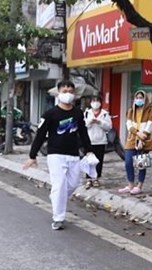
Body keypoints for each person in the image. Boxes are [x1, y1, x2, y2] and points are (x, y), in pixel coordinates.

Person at [23, 80, 93, 230]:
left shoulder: (78, 113)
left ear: (74, 94)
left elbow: (83, 133)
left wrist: (89, 150)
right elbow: (40, 135)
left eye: (70, 91)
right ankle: (58, 217)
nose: (67, 94)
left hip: (74, 155)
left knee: (73, 184)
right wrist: (32, 155)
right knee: (59, 184)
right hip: (55, 154)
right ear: (59, 93)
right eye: (64, 91)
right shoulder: (50, 114)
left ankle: (56, 197)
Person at [118, 90, 152, 195]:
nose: (139, 100)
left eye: (141, 98)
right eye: (137, 98)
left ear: (145, 100)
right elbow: (129, 125)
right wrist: (138, 133)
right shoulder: (131, 111)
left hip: (145, 140)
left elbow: (149, 126)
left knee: (141, 164)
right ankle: (130, 184)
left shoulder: (150, 111)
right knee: (128, 162)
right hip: (132, 139)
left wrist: (142, 138)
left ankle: (139, 185)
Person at [83, 95, 112, 188]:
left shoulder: (104, 114)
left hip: (100, 141)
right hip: (89, 140)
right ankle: (88, 179)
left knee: (98, 161)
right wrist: (90, 122)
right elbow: (83, 126)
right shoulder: (87, 113)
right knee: (89, 161)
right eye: (93, 100)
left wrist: (100, 122)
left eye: (97, 101)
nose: (95, 103)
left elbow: (109, 127)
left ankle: (96, 178)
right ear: (90, 102)